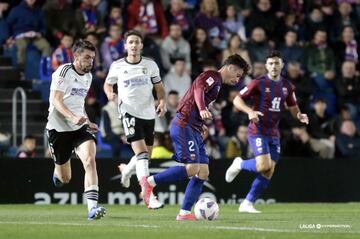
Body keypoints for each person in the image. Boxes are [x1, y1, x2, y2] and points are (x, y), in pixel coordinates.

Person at [140, 54, 249, 220]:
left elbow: (195, 97)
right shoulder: (212, 76)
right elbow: (198, 89)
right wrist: (203, 108)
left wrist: (199, 121)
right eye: (238, 75)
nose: (238, 79)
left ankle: (184, 213)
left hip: (194, 127)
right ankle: (150, 182)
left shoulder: (218, 84)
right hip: (183, 126)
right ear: (231, 67)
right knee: (192, 169)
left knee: (203, 172)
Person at [225, 50, 309, 213]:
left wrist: (299, 114)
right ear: (266, 66)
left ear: (282, 65)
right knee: (263, 165)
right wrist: (250, 111)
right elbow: (237, 99)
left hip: (274, 133)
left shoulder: (287, 86)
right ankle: (240, 164)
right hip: (258, 130)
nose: (274, 66)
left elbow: (292, 106)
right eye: (270, 63)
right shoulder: (258, 83)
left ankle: (247, 203)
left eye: (277, 63)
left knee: (269, 170)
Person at [103, 30, 166, 209]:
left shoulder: (150, 65)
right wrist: (109, 92)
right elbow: (108, 83)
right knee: (142, 154)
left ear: (141, 45)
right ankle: (149, 196)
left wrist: (162, 101)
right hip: (128, 112)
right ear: (125, 46)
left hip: (148, 113)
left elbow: (159, 87)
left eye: (137, 42)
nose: (134, 45)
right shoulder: (117, 66)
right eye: (130, 42)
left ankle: (127, 170)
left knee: (146, 156)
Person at [46, 39, 106, 220]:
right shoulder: (64, 71)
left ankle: (92, 209)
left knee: (90, 161)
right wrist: (72, 117)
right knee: (65, 178)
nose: (91, 62)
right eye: (87, 58)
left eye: (93, 58)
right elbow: (57, 100)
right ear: (77, 56)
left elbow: (79, 104)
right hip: (58, 128)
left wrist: (86, 121)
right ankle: (58, 174)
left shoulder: (88, 77)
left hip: (79, 127)